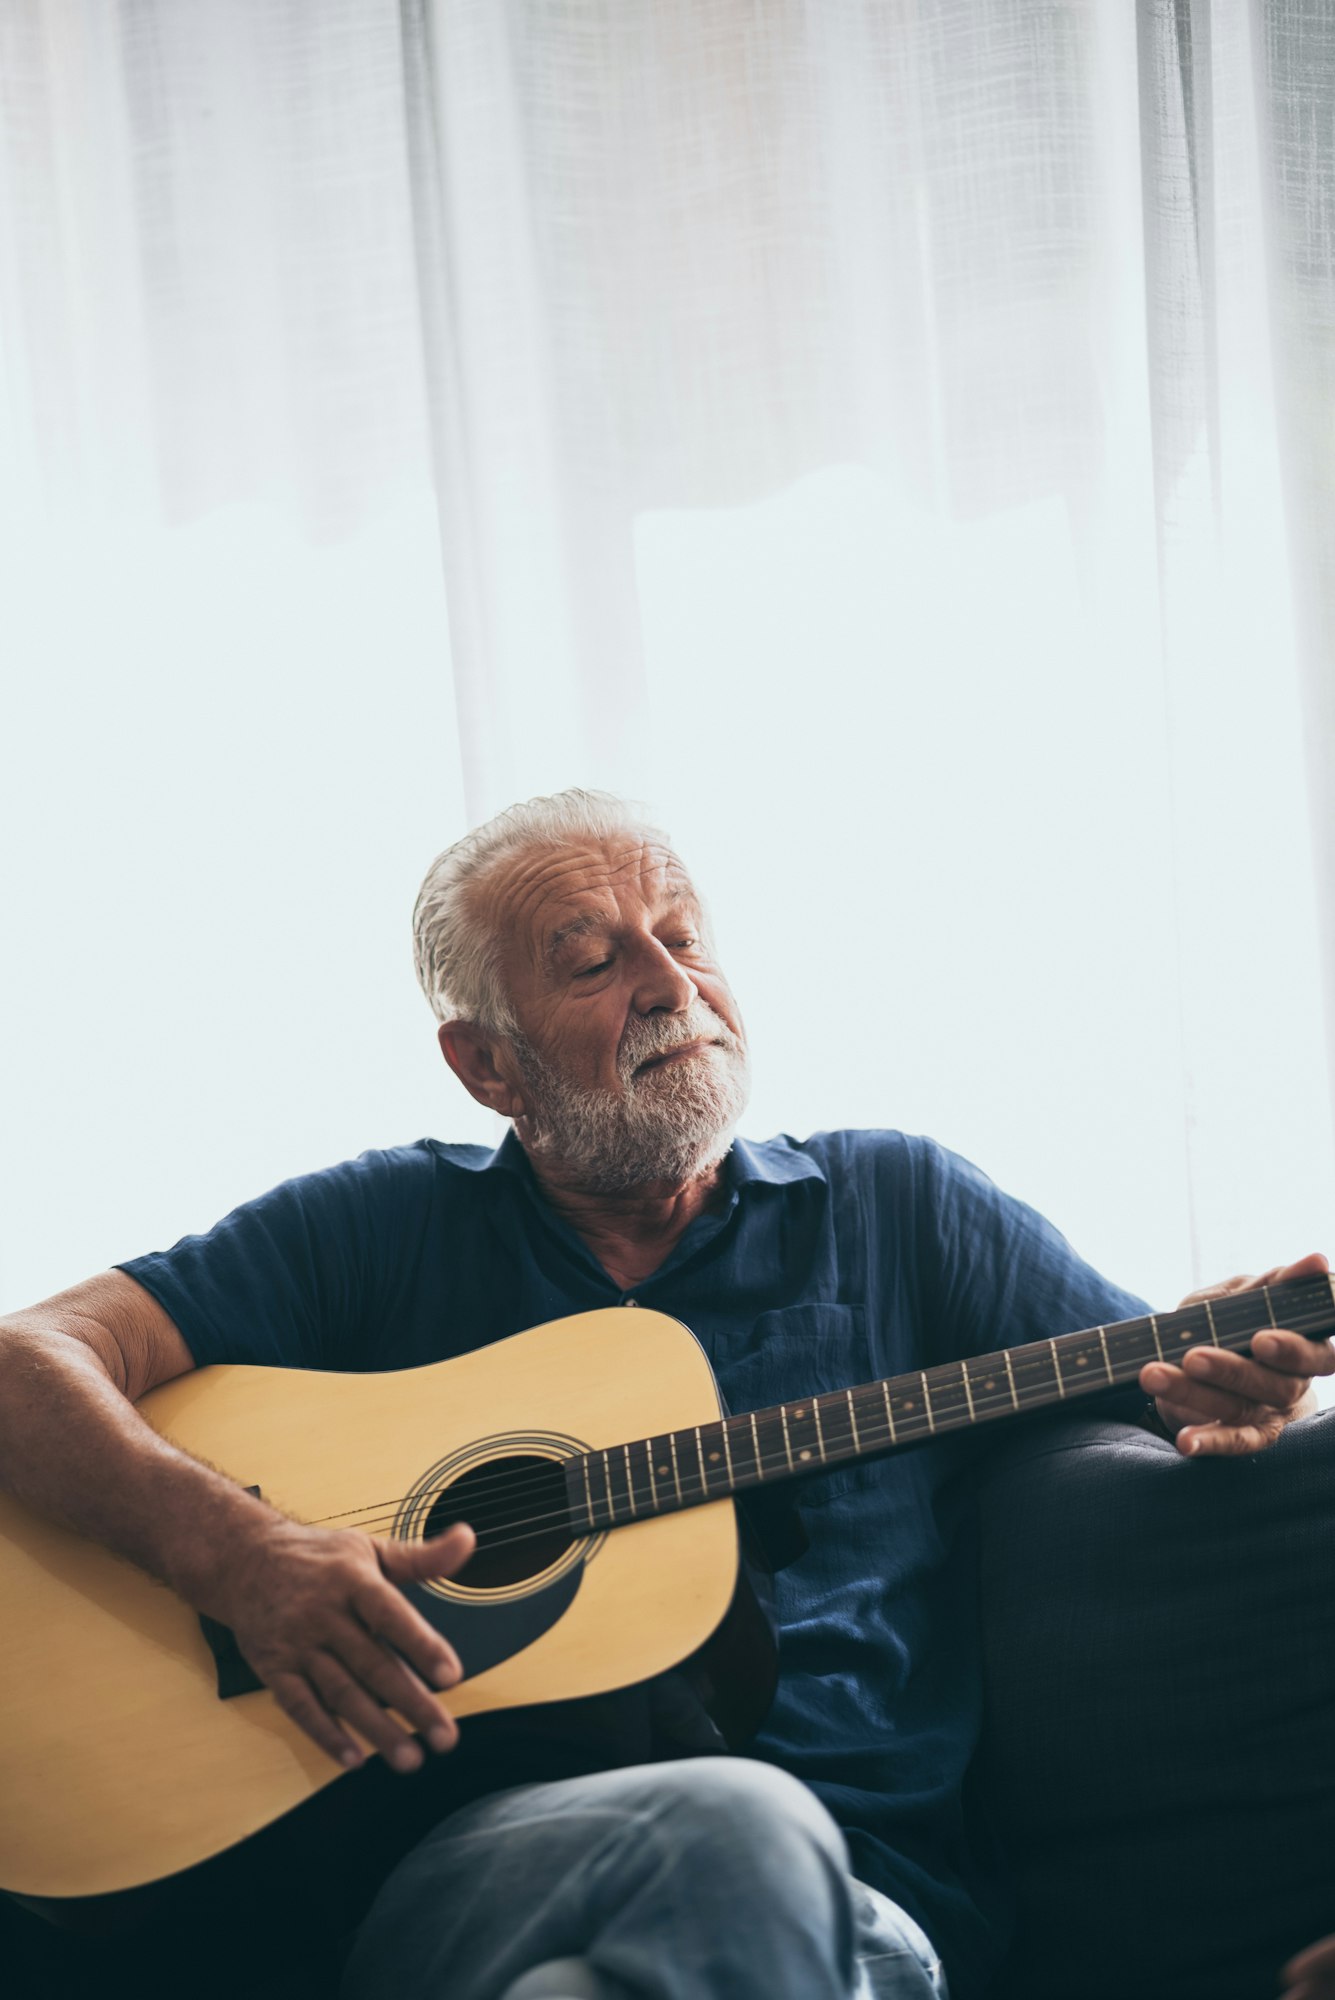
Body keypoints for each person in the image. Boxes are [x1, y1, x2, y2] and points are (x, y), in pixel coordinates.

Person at [0, 788, 1330, 2000]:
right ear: (486, 1066)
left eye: (685, 938)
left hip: (866, 1906)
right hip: (471, 1867)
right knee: (729, 1825)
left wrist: (1230, 1397)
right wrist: (236, 1554)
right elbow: (26, 1361)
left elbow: (1168, 1382)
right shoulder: (379, 1229)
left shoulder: (896, 1207)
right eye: (594, 959)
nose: (667, 983)